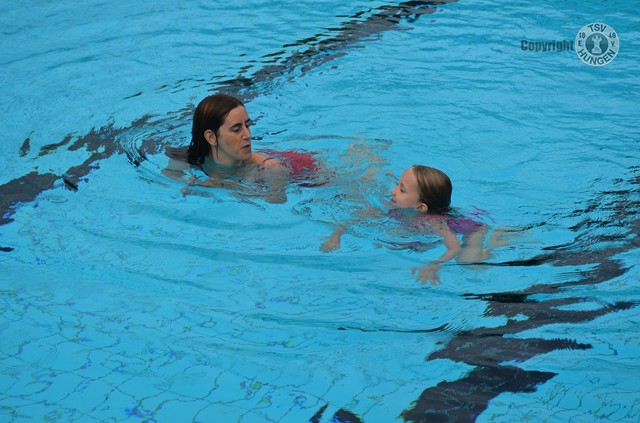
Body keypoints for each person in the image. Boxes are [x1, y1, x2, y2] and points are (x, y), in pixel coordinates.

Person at [321, 165, 501, 285]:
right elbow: (355, 218)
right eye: (397, 184)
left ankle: (498, 239)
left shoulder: (434, 223)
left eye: (401, 190)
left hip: (474, 229)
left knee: (468, 262)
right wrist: (335, 237)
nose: (393, 191)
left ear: (420, 207)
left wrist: (434, 264)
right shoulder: (393, 207)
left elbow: (454, 247)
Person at [163, 94, 287, 203]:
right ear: (211, 137)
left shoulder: (270, 167)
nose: (248, 135)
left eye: (247, 125)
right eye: (236, 129)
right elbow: (168, 182)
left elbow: (277, 201)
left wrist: (229, 187)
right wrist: (189, 185)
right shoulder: (186, 159)